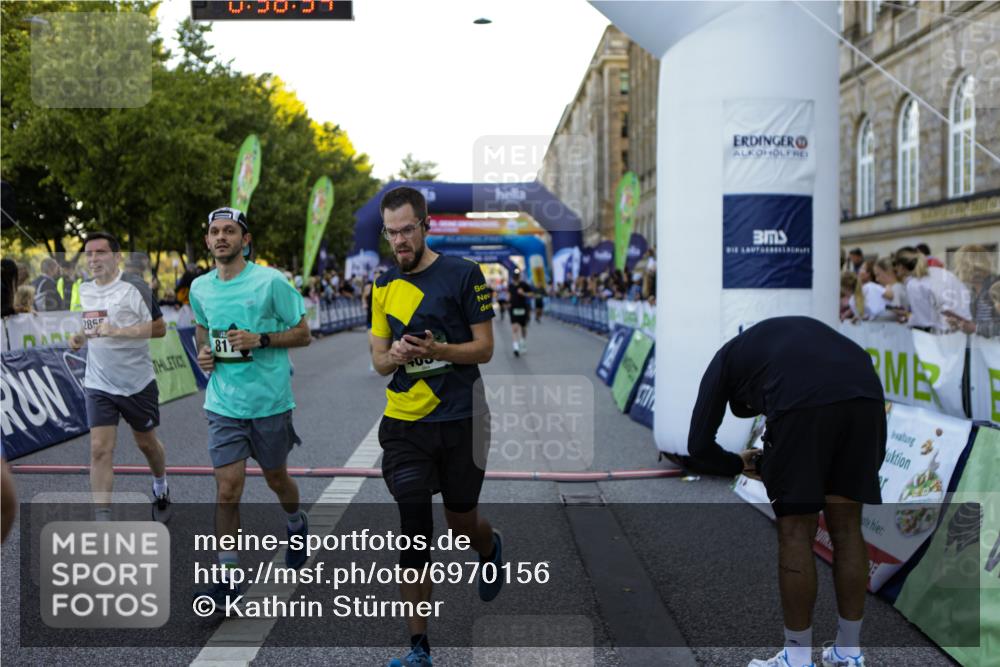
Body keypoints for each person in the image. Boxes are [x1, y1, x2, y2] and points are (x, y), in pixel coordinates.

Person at [681, 316, 886, 667]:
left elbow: (698, 447)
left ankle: (797, 657)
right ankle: (848, 652)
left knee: (795, 531)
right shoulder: (767, 343)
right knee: (848, 527)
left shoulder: (724, 362)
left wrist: (739, 463)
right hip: (866, 394)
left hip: (802, 399)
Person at [369, 186, 501, 667]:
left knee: (461, 524)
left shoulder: (464, 274)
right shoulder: (382, 285)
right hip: (405, 425)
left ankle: (488, 547)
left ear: (426, 226)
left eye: (407, 230)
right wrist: (397, 355)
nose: (400, 240)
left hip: (464, 419)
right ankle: (418, 647)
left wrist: (438, 350)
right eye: (392, 232)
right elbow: (380, 362)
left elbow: (484, 348)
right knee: (414, 526)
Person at [189, 207, 312, 608]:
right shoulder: (200, 288)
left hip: (270, 402)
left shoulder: (271, 282)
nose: (221, 237)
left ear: (245, 239)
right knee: (227, 490)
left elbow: (304, 333)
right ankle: (227, 579)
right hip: (224, 404)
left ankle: (296, 523)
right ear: (207, 241)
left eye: (229, 230)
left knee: (277, 480)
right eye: (214, 232)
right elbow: (201, 330)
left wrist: (260, 340)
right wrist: (204, 354)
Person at [67, 232, 172, 522]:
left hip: (136, 382)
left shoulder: (135, 286)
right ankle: (102, 522)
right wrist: (79, 337)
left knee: (147, 445)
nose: (93, 258)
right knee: (99, 449)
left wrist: (118, 331)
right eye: (88, 253)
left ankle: (161, 485)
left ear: (116, 257)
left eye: (100, 252)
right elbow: (89, 325)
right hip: (98, 383)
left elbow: (160, 328)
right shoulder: (85, 289)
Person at [946, 244, 1000, 338]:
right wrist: (961, 325)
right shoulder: (973, 291)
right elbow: (979, 324)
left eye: (960, 264)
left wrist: (975, 328)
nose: (957, 269)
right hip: (983, 350)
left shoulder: (996, 286)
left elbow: (980, 327)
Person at [508, 269, 533, 356]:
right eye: (515, 276)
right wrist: (508, 302)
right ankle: (515, 347)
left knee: (523, 327)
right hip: (513, 309)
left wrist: (524, 293)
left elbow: (531, 294)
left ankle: (522, 341)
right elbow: (509, 295)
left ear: (519, 276)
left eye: (517, 276)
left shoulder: (524, 285)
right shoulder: (510, 286)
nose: (516, 277)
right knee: (514, 328)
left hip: (523, 308)